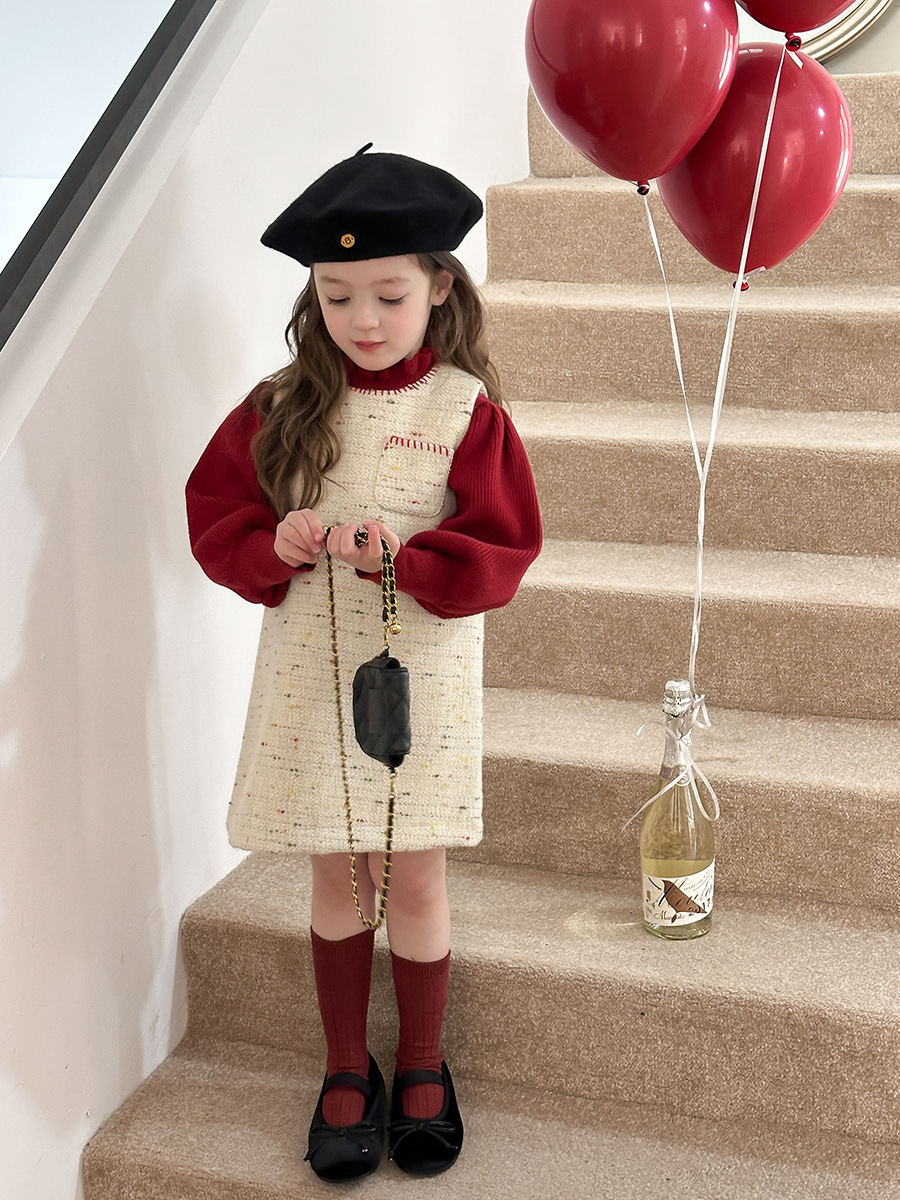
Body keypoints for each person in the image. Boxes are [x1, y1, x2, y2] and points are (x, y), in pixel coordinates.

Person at [185, 146, 542, 1182]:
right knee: (338, 867)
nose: (364, 320)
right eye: (337, 297)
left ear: (440, 286)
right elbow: (217, 518)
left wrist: (407, 559)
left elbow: (502, 544)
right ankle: (348, 1064)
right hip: (309, 674)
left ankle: (423, 1059)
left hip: (417, 679)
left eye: (389, 295)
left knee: (414, 869)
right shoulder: (281, 404)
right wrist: (278, 544)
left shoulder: (467, 411)